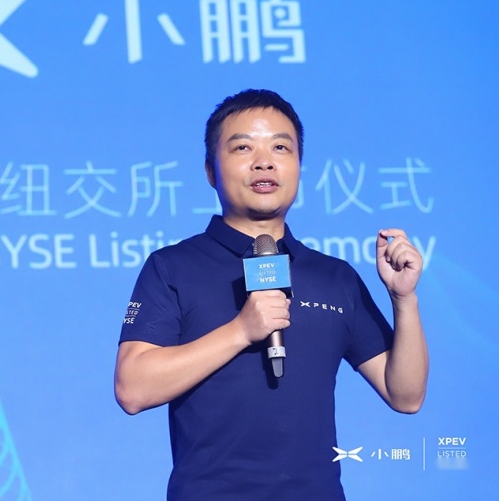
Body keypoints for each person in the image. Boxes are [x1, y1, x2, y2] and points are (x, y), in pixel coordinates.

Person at [114, 89, 428, 500]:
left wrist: (404, 300)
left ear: (298, 166)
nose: (264, 161)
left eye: (281, 147)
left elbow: (405, 395)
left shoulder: (335, 277)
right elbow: (133, 389)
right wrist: (241, 331)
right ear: (210, 171)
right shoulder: (173, 267)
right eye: (243, 147)